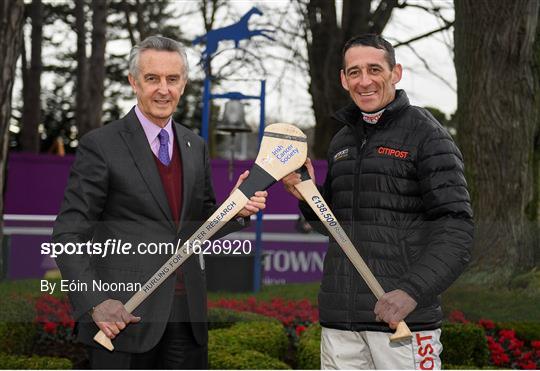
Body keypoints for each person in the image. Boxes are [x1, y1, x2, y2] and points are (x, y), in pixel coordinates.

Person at [52, 35, 267, 369]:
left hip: (187, 319)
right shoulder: (102, 145)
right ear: (133, 82)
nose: (163, 89)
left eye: (172, 79)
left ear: (183, 83)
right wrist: (94, 303)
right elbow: (68, 235)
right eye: (152, 78)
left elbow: (200, 226)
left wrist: (235, 208)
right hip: (122, 319)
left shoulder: (195, 145)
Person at [282, 34, 473, 370]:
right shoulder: (343, 139)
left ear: (395, 73)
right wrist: (308, 196)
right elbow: (335, 227)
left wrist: (411, 292)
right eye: (354, 72)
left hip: (403, 323)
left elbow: (456, 230)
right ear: (343, 79)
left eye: (374, 69)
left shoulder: (427, 135)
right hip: (341, 322)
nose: (364, 81)